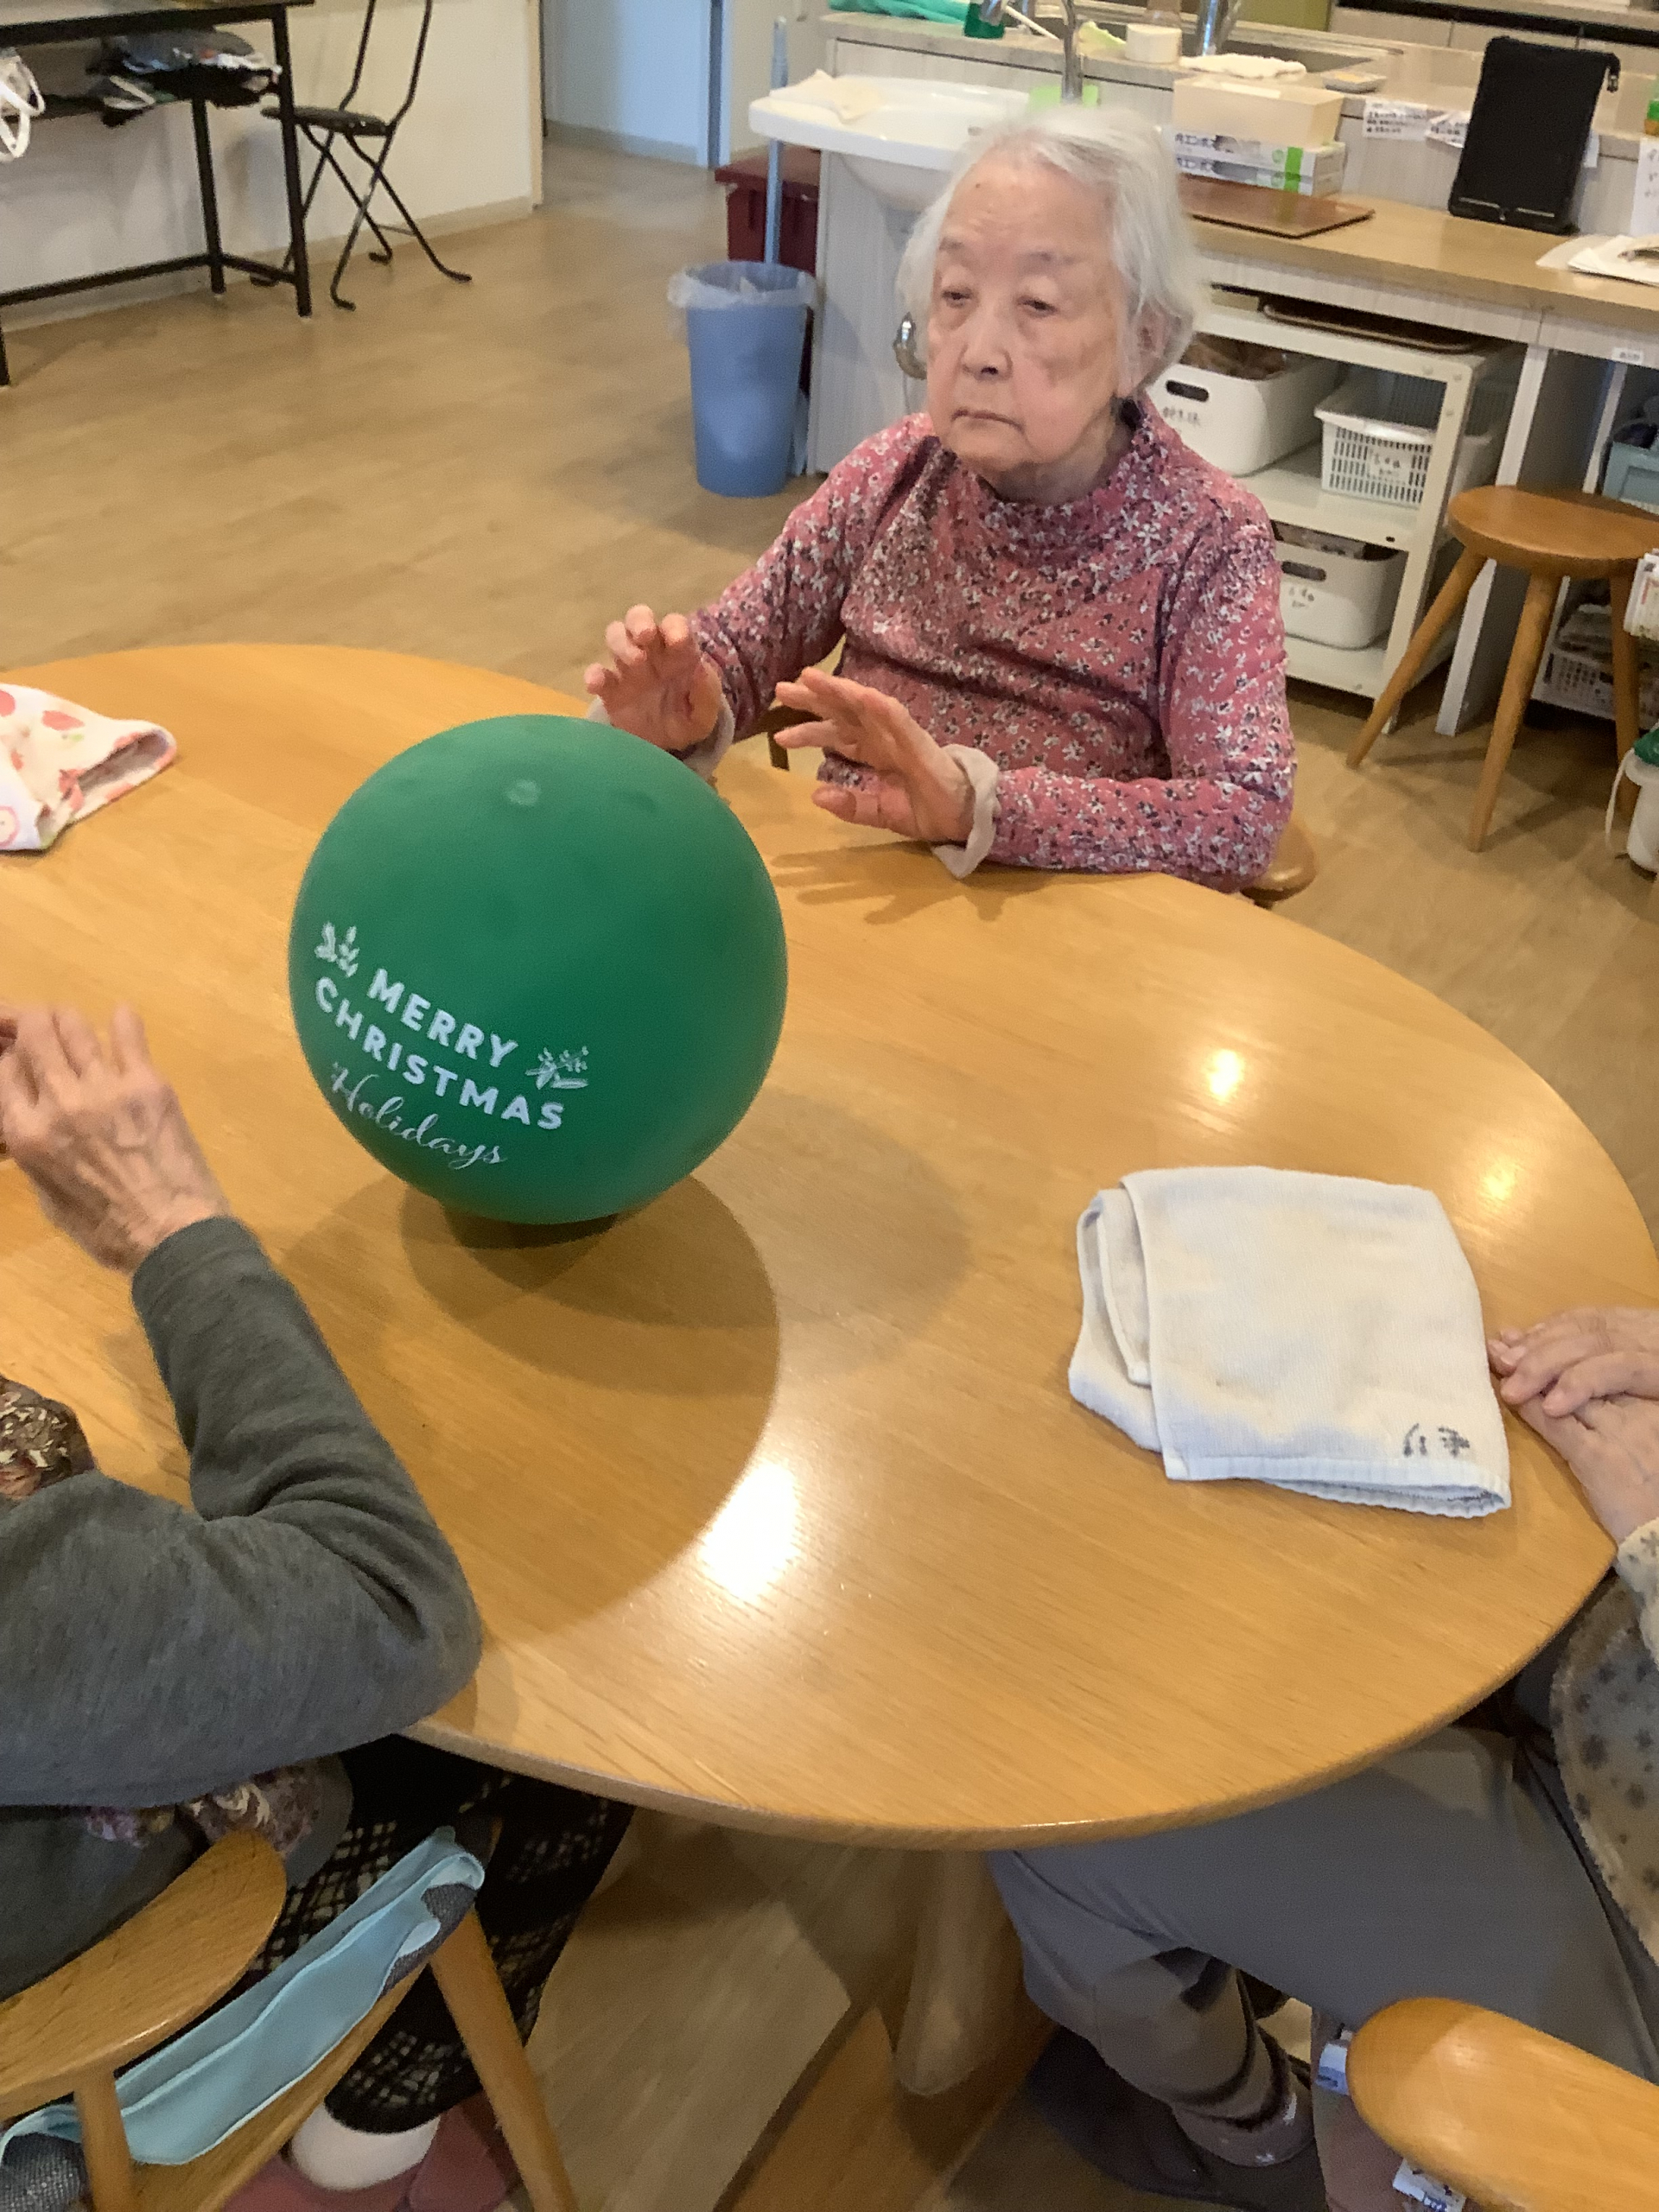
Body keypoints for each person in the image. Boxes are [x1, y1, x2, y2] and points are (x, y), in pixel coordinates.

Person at [0, 1005, 630, 2212]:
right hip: (80, 1992)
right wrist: (168, 1225)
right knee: (578, 1708)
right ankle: (382, 2113)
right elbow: (387, 1597)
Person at [988, 1305, 1659, 2211]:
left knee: (1075, 1806)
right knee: (1399, 1385)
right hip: (1624, 1685)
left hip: (1633, 1909)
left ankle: (1253, 2131)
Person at [585, 107, 1294, 891]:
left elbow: (1244, 815)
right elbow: (737, 645)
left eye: (1038, 304)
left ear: (1144, 341)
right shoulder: (896, 472)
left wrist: (979, 806)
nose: (979, 352)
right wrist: (684, 708)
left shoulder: (1208, 539)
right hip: (858, 895)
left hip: (1064, 927)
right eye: (956, 295)